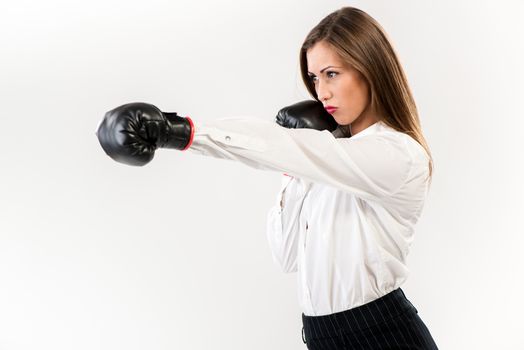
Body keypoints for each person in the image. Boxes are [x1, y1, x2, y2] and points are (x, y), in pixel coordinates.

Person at [96, 6, 438, 349]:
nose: (322, 92)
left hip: (384, 337)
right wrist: (298, 172)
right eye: (315, 78)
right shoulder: (330, 156)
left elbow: (282, 147)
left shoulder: (398, 156)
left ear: (371, 70)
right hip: (324, 338)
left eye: (332, 73)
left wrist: (177, 132)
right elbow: (286, 254)